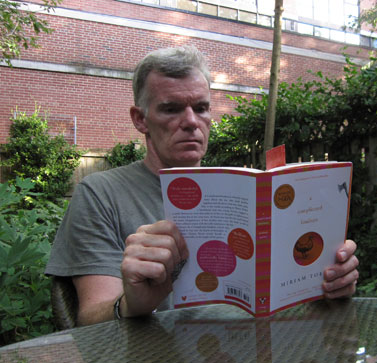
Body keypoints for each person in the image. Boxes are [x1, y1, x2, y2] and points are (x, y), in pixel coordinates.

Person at [46, 46, 360, 326]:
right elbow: (89, 319)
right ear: (140, 119)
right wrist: (132, 305)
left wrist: (328, 282)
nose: (191, 121)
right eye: (171, 108)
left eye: (201, 108)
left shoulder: (242, 193)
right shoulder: (101, 194)